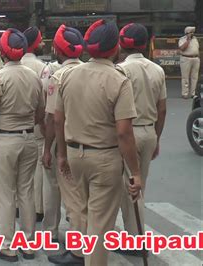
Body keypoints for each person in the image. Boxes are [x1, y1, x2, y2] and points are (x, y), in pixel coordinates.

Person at [49, 19, 142, 266]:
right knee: (100, 225)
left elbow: (58, 120)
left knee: (82, 213)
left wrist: (61, 154)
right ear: (115, 49)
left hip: (74, 155)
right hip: (104, 159)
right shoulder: (118, 80)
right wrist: (135, 172)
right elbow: (124, 133)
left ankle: (81, 254)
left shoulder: (68, 76)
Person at [0, 28, 45, 262]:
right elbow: (40, 113)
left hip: (5, 139)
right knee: (26, 192)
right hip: (28, 138)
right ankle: (28, 245)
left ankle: (7, 245)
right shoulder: (34, 76)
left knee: (5, 194)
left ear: (3, 52)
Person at [115, 23, 167, 256]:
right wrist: (156, 137)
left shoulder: (120, 70)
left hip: (128, 133)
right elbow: (162, 109)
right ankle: (135, 236)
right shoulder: (157, 70)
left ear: (122, 43)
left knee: (129, 189)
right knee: (139, 184)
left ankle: (135, 240)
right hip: (148, 132)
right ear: (146, 44)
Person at [43, 24, 84, 244]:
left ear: (59, 50)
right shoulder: (90, 70)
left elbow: (53, 118)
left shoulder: (57, 77)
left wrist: (49, 150)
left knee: (62, 193)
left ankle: (65, 240)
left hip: (66, 145)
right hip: (93, 145)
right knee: (84, 197)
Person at [21, 26, 47, 223]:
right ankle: (38, 208)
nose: (43, 43)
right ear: (35, 43)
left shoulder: (11, 64)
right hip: (36, 122)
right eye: (41, 40)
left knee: (13, 167)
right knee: (36, 166)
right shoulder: (42, 68)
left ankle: (15, 205)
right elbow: (45, 97)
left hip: (10, 124)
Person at [179, 26, 200, 98]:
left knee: (194, 77)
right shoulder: (182, 39)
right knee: (185, 77)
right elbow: (182, 48)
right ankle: (185, 93)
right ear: (187, 33)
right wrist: (188, 40)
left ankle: (193, 93)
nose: (192, 33)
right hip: (186, 58)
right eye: (190, 32)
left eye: (193, 32)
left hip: (195, 58)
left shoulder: (195, 39)